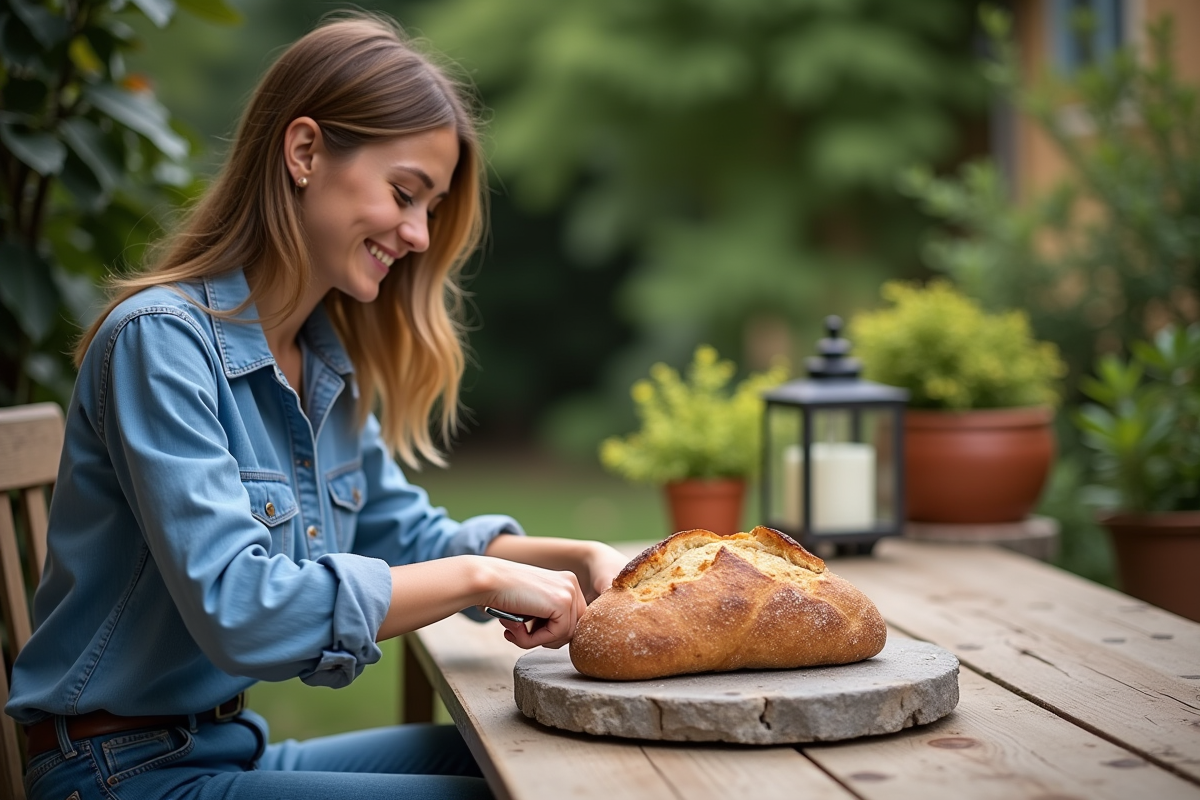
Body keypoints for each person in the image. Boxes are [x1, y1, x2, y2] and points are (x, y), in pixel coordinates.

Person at [5, 13, 629, 800]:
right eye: (406, 194)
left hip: (225, 750)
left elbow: (406, 534)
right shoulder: (160, 344)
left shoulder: (319, 359)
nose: (419, 234)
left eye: (431, 208)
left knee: (547, 758)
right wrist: (475, 579)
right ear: (304, 153)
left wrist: (581, 558)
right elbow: (242, 608)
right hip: (117, 776)